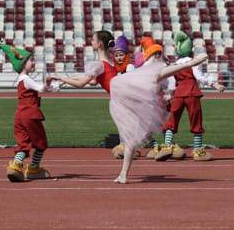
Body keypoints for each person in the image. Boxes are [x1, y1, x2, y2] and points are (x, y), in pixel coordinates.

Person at [52, 31, 208, 183]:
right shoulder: (106, 63)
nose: (90, 42)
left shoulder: (99, 64)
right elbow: (90, 81)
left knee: (155, 76)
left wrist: (59, 78)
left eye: (93, 40)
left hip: (121, 92)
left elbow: (81, 83)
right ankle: (123, 175)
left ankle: (192, 63)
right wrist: (63, 80)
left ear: (99, 44)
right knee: (131, 136)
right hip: (123, 92)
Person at [0, 38, 60, 182]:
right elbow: (41, 88)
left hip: (20, 115)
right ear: (23, 64)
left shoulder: (20, 79)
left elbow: (43, 89)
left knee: (23, 144)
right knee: (41, 143)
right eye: (31, 60)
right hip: (30, 114)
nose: (34, 62)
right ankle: (34, 169)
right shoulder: (26, 79)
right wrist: (50, 83)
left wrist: (55, 86)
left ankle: (15, 166)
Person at [155, 31, 225, 161]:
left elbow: (171, 82)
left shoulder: (175, 66)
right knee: (196, 120)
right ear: (191, 50)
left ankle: (167, 146)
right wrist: (215, 85)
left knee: (172, 120)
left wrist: (170, 95)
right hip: (192, 93)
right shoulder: (193, 63)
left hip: (178, 94)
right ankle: (198, 150)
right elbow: (200, 78)